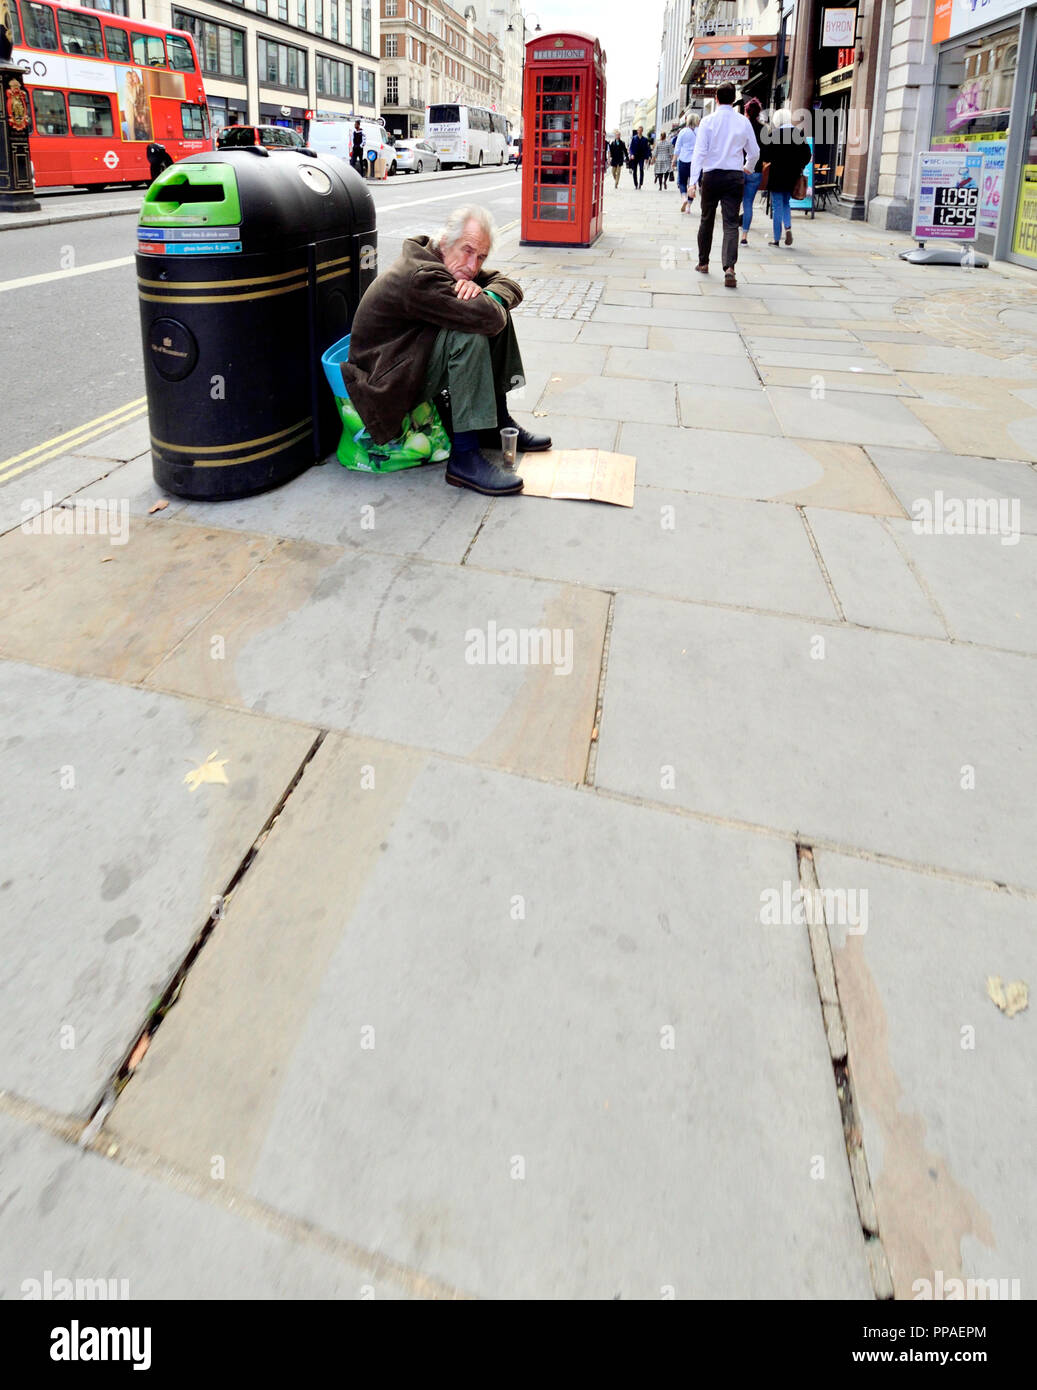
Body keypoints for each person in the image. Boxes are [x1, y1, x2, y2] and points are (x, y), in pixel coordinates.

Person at [342, 206, 551, 498]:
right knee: (471, 331)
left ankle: (496, 423)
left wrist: (489, 293)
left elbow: (508, 284)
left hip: (409, 358)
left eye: (481, 257)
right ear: (445, 242)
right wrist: (489, 301)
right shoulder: (421, 276)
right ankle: (464, 458)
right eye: (467, 251)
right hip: (385, 384)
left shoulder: (444, 260)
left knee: (487, 306)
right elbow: (489, 318)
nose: (472, 265)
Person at [689, 83, 760, 290]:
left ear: (717, 99)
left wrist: (693, 181)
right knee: (730, 223)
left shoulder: (707, 122)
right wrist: (747, 167)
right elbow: (754, 152)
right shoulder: (743, 122)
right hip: (733, 177)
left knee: (706, 219)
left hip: (711, 176)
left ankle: (703, 263)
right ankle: (729, 268)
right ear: (733, 99)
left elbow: (699, 153)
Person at [763, 109, 812, 247]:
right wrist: (799, 166)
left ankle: (776, 238)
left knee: (777, 206)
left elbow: (766, 156)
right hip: (793, 175)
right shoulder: (798, 134)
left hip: (777, 175)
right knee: (786, 203)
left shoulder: (774, 134)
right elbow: (807, 155)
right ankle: (788, 228)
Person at [740, 98, 765, 246]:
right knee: (748, 203)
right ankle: (744, 235)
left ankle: (731, 227)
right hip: (756, 170)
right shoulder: (763, 129)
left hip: (740, 168)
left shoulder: (742, 126)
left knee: (735, 201)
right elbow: (766, 152)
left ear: (746, 111)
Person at [673, 114, 699, 212]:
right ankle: (688, 206)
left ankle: (684, 198)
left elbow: (677, 147)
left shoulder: (683, 131)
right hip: (695, 161)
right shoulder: (699, 131)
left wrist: (674, 160)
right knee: (692, 184)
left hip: (683, 160)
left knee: (682, 182)